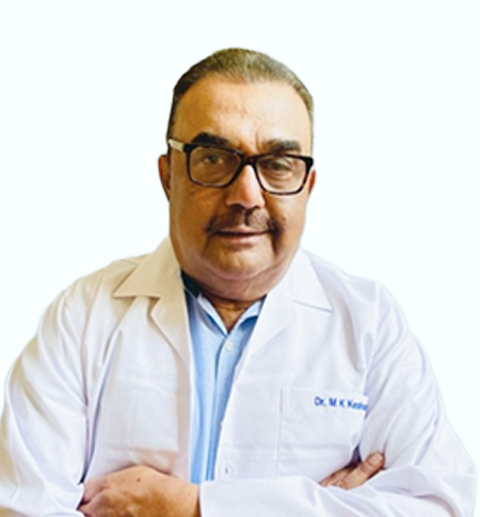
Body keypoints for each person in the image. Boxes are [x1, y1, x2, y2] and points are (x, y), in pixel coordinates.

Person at [0, 48, 476, 517]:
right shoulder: (84, 315)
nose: (246, 195)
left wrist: (189, 507)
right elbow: (21, 509)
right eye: (214, 158)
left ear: (308, 187)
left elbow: (443, 506)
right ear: (169, 176)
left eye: (278, 164)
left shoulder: (369, 323)